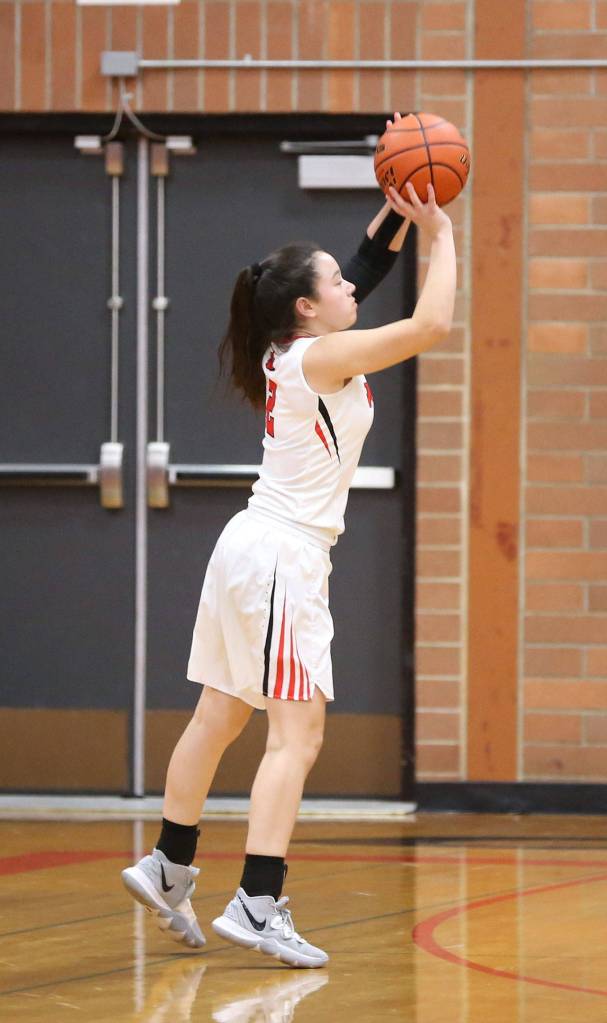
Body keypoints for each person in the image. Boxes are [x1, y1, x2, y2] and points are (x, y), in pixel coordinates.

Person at [122, 117, 457, 969]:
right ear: (309, 306)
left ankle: (168, 862)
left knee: (220, 714)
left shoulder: (294, 349)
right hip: (283, 558)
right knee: (295, 737)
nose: (354, 284)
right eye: (338, 282)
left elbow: (364, 268)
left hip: (247, 546)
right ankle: (258, 899)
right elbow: (429, 328)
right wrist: (442, 230)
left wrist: (395, 210)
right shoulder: (322, 359)